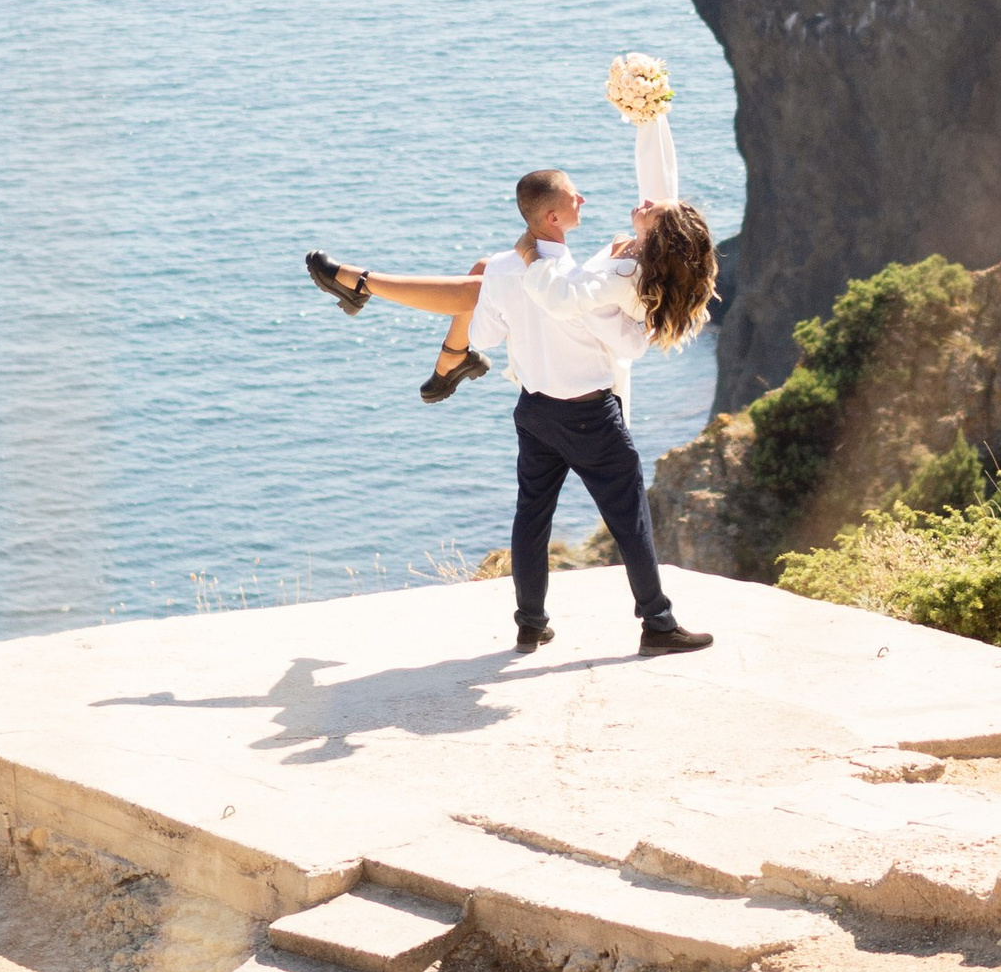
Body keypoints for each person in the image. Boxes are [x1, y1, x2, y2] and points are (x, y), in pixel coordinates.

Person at [304, 149, 716, 659]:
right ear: (554, 216)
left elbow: (485, 318)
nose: (586, 198)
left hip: (535, 410)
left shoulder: (535, 267)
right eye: (574, 196)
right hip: (589, 416)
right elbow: (616, 331)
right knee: (629, 520)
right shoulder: (597, 273)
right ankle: (658, 624)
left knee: (531, 518)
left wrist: (508, 285)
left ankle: (530, 625)